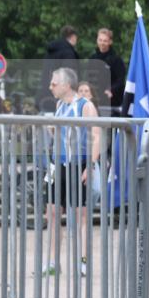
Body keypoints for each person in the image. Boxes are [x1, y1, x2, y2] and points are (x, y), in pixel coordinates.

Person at [46, 67, 101, 276]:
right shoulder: (59, 104)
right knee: (51, 212)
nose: (50, 87)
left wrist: (90, 165)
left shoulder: (85, 106)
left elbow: (96, 135)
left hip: (77, 165)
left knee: (81, 216)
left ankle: (83, 261)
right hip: (57, 165)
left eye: (54, 83)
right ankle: (52, 262)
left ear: (66, 85)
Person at [39, 25, 80, 112]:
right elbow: (69, 75)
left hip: (45, 92)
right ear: (73, 37)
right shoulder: (68, 53)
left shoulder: (51, 51)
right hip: (61, 95)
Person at [89, 28, 126, 115]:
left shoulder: (116, 60)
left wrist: (111, 90)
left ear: (110, 42)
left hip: (112, 102)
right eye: (100, 40)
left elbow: (120, 80)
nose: (102, 43)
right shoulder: (92, 58)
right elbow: (89, 79)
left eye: (105, 41)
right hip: (95, 100)